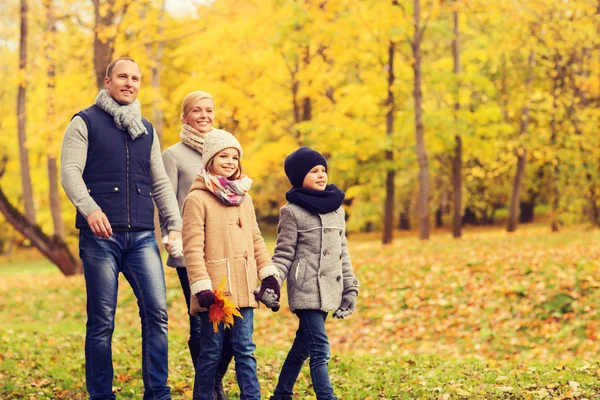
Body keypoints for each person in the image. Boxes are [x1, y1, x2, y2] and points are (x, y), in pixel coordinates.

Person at [60, 57, 181, 400]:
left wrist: (174, 226)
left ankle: (157, 393)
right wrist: (90, 209)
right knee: (102, 322)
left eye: (136, 78)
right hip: (101, 238)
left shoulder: (146, 129)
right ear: (108, 80)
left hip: (143, 236)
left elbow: (159, 183)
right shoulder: (84, 122)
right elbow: (70, 172)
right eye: (123, 77)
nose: (130, 83)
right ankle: (101, 395)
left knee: (157, 313)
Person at [181, 129, 280, 400]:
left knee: (245, 348)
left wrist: (268, 274)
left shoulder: (244, 198)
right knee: (211, 351)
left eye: (235, 157)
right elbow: (191, 249)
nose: (230, 161)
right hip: (216, 294)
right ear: (210, 158)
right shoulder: (197, 199)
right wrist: (202, 288)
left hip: (245, 288)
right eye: (223, 155)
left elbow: (256, 239)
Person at [263, 147, 360, 400]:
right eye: (314, 171)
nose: (321, 175)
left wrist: (350, 288)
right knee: (320, 348)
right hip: (306, 290)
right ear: (298, 178)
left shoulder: (337, 209)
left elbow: (342, 252)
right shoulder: (292, 212)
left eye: (323, 170)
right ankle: (326, 396)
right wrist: (272, 283)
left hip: (330, 289)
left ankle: (281, 394)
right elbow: (283, 254)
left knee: (302, 347)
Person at [159, 91, 233, 400]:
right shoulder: (173, 155)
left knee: (230, 326)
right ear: (184, 117)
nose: (204, 115)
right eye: (196, 110)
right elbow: (165, 201)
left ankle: (211, 379)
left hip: (223, 249)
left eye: (209, 110)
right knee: (202, 323)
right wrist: (171, 236)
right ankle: (211, 389)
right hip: (189, 251)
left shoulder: (225, 150)